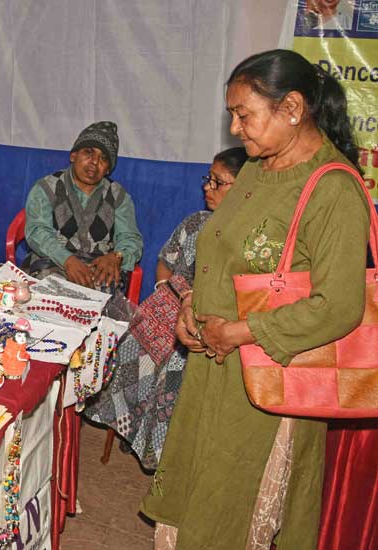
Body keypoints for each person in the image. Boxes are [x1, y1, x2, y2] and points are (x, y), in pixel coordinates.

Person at [140, 49, 370, 550]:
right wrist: (190, 306)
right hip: (214, 370)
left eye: (244, 114)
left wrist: (240, 332)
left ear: (291, 108)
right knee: (196, 493)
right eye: (232, 116)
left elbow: (339, 306)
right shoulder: (255, 170)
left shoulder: (333, 191)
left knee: (232, 513)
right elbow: (222, 256)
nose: (235, 129)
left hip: (268, 386)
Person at [84, 147, 248, 471]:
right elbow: (165, 262)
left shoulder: (249, 239)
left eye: (218, 182)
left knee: (175, 365)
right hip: (172, 303)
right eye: (208, 179)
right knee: (128, 342)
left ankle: (159, 451)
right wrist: (166, 291)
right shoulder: (196, 222)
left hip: (212, 322)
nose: (207, 187)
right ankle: (132, 426)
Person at [23, 121, 143, 313]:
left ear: (108, 169)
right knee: (49, 299)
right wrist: (68, 260)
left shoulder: (119, 196)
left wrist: (116, 256)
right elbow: (37, 231)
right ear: (73, 155)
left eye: (103, 158)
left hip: (97, 270)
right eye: (88, 152)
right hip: (53, 262)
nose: (95, 162)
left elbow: (131, 239)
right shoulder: (46, 188)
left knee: (107, 311)